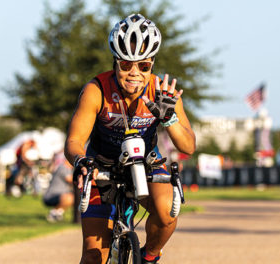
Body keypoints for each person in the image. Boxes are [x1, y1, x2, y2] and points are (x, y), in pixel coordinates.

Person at [64, 14, 195, 264]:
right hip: (101, 166)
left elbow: (188, 145)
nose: (134, 73)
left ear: (152, 64)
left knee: (168, 212)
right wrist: (81, 161)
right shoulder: (97, 90)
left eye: (143, 66)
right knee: (93, 258)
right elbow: (74, 141)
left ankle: (148, 257)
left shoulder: (161, 91)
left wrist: (169, 119)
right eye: (126, 65)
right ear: (115, 63)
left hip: (145, 163)